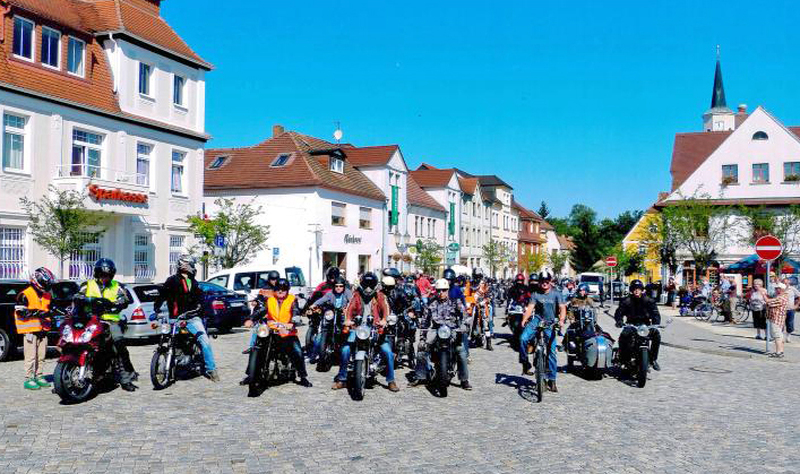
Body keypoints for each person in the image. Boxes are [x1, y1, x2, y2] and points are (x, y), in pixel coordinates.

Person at [154, 255, 219, 382]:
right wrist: (156, 309)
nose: (191, 267)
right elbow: (162, 295)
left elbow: (201, 299)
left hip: (192, 318)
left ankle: (211, 369)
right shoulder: (172, 280)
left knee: (204, 340)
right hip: (175, 319)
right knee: (168, 339)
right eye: (190, 265)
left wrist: (201, 308)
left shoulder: (194, 283)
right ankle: (168, 364)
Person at [331, 272, 399, 392]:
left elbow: (386, 308)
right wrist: (347, 320)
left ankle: (391, 380)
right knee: (345, 350)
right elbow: (349, 308)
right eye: (366, 284)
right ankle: (342, 379)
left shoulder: (380, 296)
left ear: (375, 285)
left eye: (370, 285)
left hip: (375, 328)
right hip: (357, 329)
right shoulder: (356, 295)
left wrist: (384, 320)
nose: (368, 288)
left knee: (388, 352)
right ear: (362, 284)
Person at [77, 258, 136, 391]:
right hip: (90, 321)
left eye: (108, 275)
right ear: (97, 274)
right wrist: (79, 298)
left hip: (110, 322)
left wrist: (120, 302)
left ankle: (126, 379)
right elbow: (78, 295)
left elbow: (125, 298)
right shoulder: (87, 285)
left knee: (118, 346)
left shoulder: (117, 286)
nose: (105, 277)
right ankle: (65, 377)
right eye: (102, 275)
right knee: (74, 342)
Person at [408, 278, 471, 390]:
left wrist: (464, 326)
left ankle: (464, 379)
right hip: (436, 330)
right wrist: (422, 337)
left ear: (447, 290)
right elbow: (425, 321)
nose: (441, 293)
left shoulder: (455, 302)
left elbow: (464, 314)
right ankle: (420, 376)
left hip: (452, 330)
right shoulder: (431, 302)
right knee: (422, 348)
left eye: (443, 290)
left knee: (461, 352)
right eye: (438, 290)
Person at [519, 271, 566, 392]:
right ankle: (525, 363)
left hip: (551, 322)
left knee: (551, 351)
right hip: (537, 320)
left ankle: (552, 379)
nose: (544, 284)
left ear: (550, 281)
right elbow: (530, 308)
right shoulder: (535, 294)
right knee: (523, 339)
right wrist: (524, 319)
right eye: (542, 282)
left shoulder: (556, 293)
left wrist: (561, 320)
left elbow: (562, 308)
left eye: (546, 281)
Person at [261, 278, 312, 387]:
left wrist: (292, 322)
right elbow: (261, 311)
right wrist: (250, 318)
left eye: (283, 289)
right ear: (275, 290)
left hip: (288, 332)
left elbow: (296, 311)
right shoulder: (270, 300)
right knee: (258, 348)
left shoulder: (292, 299)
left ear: (287, 290)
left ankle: (303, 377)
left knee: (298, 352)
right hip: (272, 331)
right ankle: (251, 375)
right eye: (278, 289)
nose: (280, 291)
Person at [14, 267, 55, 390]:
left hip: (43, 330)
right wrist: (37, 313)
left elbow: (50, 309)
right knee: (31, 356)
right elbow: (20, 312)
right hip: (30, 331)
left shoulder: (47, 295)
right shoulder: (25, 294)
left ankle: (39, 376)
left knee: (41, 356)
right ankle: (28, 378)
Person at [614, 279, 662, 371]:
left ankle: (653, 359)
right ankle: (624, 360)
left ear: (642, 290)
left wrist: (656, 323)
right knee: (624, 336)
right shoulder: (626, 301)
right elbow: (619, 312)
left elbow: (655, 313)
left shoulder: (649, 301)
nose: (637, 290)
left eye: (639, 289)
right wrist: (619, 321)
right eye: (634, 289)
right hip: (631, 325)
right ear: (631, 290)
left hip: (646, 326)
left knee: (656, 335)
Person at [307, 276, 352, 362]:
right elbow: (322, 300)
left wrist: (347, 309)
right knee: (322, 333)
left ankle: (350, 355)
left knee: (349, 332)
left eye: (341, 286)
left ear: (344, 286)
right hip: (332, 313)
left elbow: (352, 302)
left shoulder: (347, 293)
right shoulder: (330, 293)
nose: (338, 288)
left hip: (343, 315)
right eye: (336, 286)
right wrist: (313, 305)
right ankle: (314, 355)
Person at [242, 270, 281, 355]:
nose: (274, 281)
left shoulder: (280, 289)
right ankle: (253, 346)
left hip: (278, 315)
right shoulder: (264, 289)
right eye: (272, 279)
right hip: (265, 312)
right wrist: (256, 302)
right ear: (269, 279)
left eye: (276, 279)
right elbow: (259, 298)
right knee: (258, 327)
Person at [765, 283, 790, 358]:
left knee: (777, 336)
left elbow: (769, 303)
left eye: (777, 288)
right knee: (780, 336)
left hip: (777, 319)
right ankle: (780, 351)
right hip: (777, 318)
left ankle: (778, 352)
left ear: (781, 289)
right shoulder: (780, 296)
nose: (775, 290)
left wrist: (764, 296)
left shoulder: (781, 297)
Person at [781, 278, 798, 343]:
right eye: (784, 283)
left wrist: (796, 305)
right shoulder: (781, 289)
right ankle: (781, 337)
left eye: (786, 283)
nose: (785, 284)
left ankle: (788, 337)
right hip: (782, 309)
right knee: (781, 323)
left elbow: (799, 296)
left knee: (790, 323)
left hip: (790, 309)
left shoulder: (792, 289)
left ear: (789, 282)